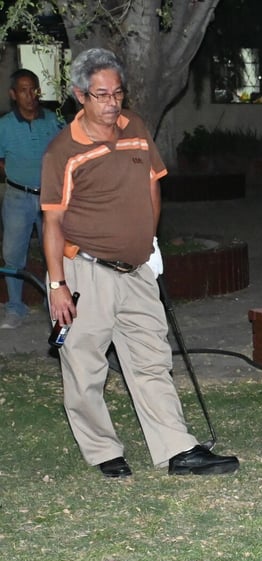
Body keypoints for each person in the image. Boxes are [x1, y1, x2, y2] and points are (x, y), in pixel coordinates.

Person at [41, 48, 239, 478]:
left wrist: (149, 241)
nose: (112, 103)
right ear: (79, 95)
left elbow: (152, 185)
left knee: (151, 358)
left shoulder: (136, 128)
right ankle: (102, 450)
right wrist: (57, 285)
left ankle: (177, 449)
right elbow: (52, 221)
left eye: (117, 93)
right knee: (85, 365)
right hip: (84, 272)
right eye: (100, 95)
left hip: (136, 270)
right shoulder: (63, 151)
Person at [0, 69, 63, 329]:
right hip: (17, 197)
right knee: (13, 255)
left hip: (50, 198)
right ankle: (15, 307)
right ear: (13, 95)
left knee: (57, 253)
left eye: (34, 89)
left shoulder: (53, 121)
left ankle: (58, 306)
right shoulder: (4, 125)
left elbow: (66, 154)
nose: (30, 95)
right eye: (24, 90)